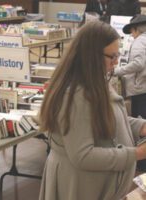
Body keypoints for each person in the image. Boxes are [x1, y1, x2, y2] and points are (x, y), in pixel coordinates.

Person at [38, 21, 146, 200]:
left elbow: (109, 116)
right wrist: (138, 153)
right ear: (91, 56)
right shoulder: (75, 94)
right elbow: (83, 155)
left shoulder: (95, 78)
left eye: (117, 55)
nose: (116, 62)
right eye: (112, 56)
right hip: (79, 188)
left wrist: (140, 127)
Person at [114, 14, 146, 171]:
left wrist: (118, 70)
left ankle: (142, 162)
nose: (132, 35)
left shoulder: (140, 41)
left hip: (141, 88)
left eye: (132, 32)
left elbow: (138, 64)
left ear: (136, 29)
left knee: (141, 122)